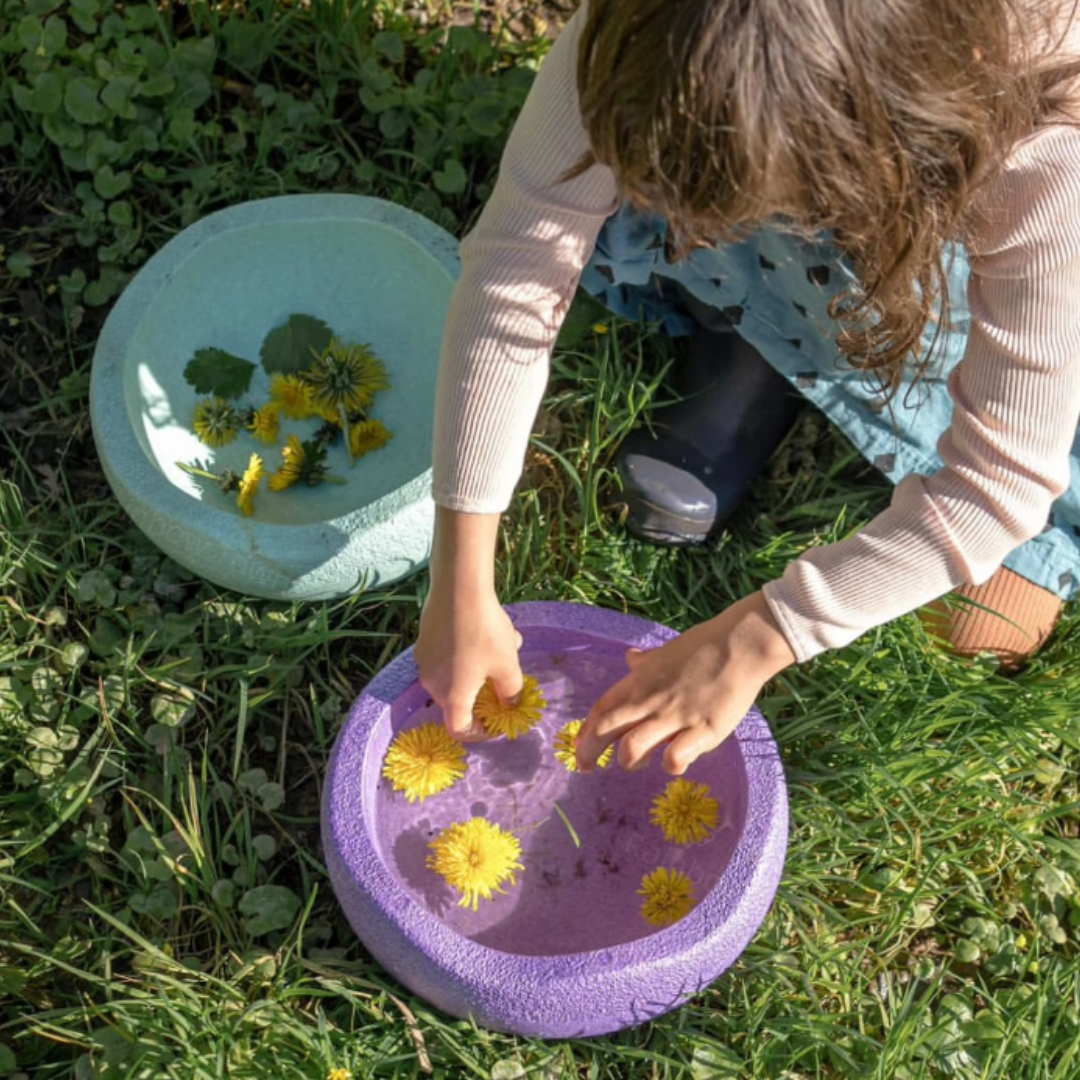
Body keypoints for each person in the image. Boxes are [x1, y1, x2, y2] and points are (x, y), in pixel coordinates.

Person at [414, 0, 1080, 776]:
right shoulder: (663, 28)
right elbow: (519, 262)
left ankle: (797, 321)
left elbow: (999, 481)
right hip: (824, 188)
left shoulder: (1042, 154)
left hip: (962, 279)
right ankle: (754, 334)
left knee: (986, 627)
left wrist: (759, 637)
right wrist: (460, 574)